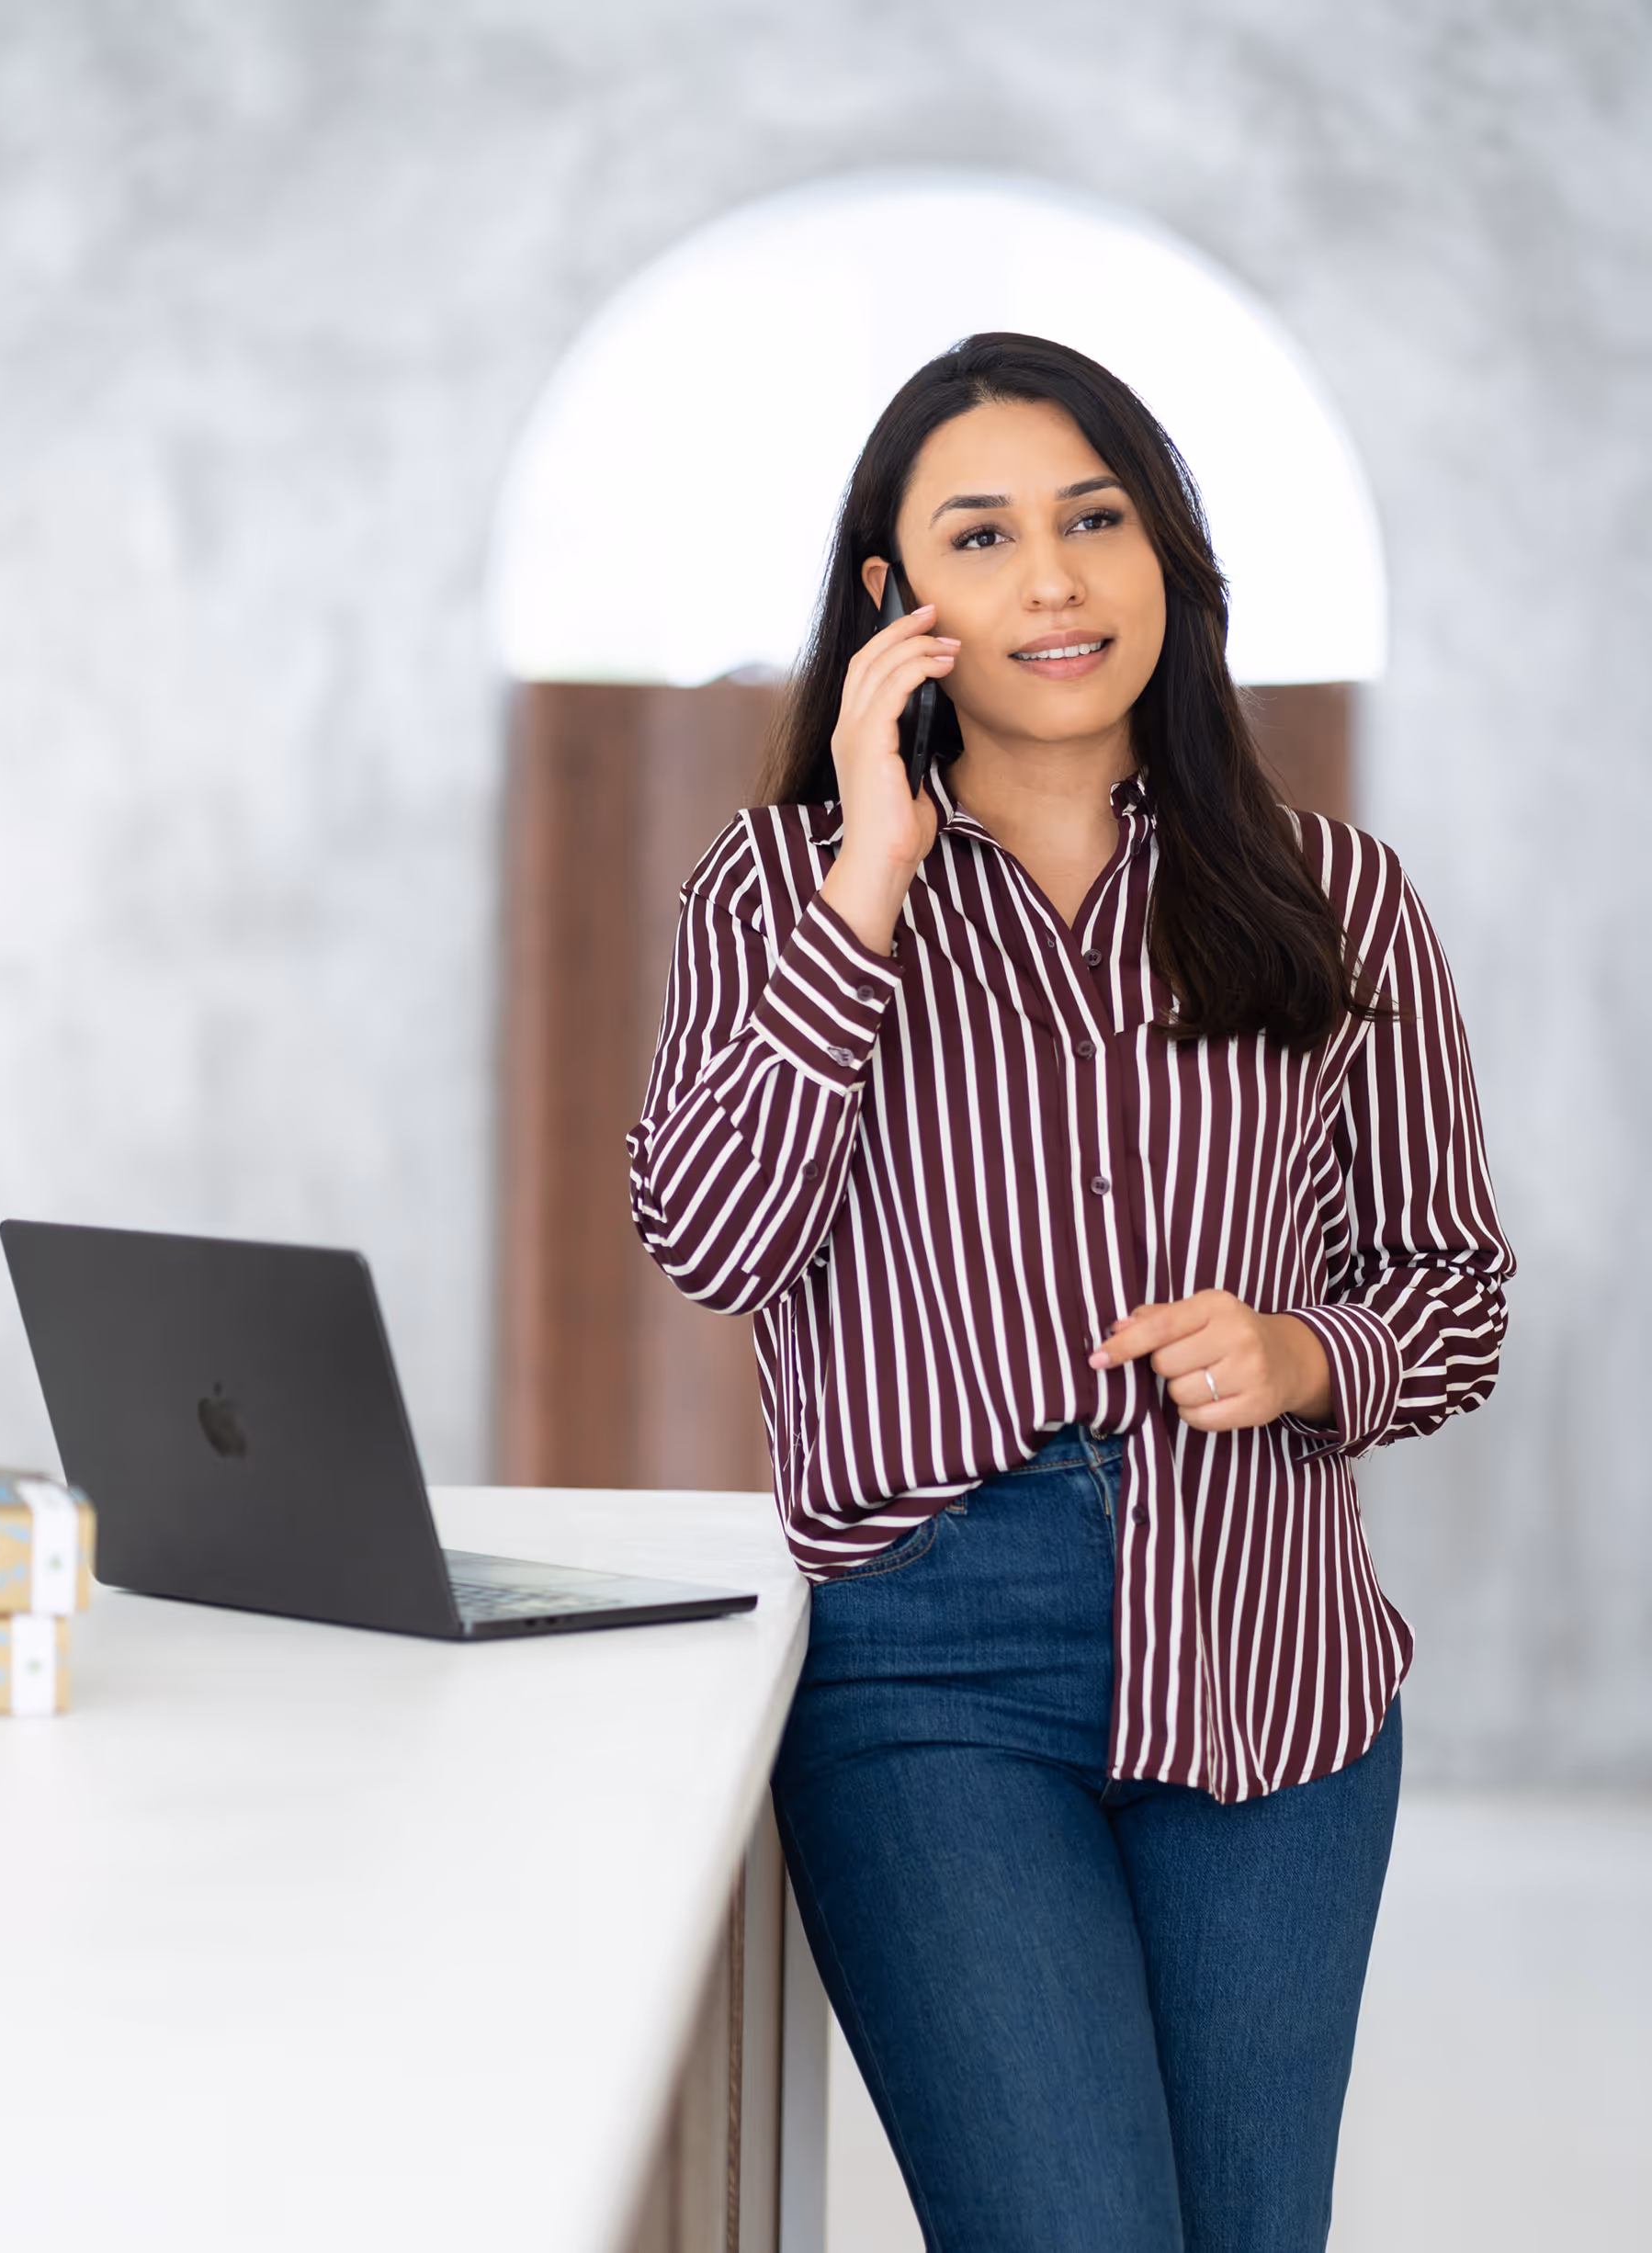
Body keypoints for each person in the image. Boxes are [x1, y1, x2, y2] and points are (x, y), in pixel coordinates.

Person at [628, 333, 1512, 2252]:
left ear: (1164, 559)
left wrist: (1304, 1348)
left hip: (1274, 1654)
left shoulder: (1332, 893)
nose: (1051, 580)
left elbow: (1449, 1282)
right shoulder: (775, 893)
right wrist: (870, 871)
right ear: (895, 601)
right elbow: (712, 1236)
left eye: (1093, 519)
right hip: (930, 1662)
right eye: (982, 532)